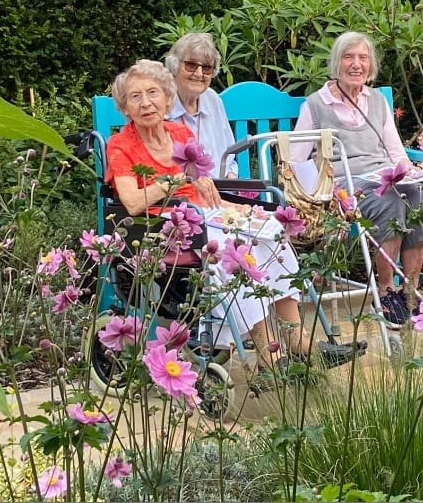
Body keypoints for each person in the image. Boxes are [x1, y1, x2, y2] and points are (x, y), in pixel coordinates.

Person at [105, 59, 345, 373]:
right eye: (135, 97)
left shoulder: (178, 131)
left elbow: (204, 182)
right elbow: (133, 202)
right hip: (165, 225)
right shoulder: (121, 144)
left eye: (153, 93)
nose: (146, 102)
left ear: (167, 99)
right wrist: (173, 183)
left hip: (204, 213)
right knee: (234, 252)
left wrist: (230, 203)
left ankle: (298, 342)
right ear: (125, 107)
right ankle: (268, 353)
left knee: (270, 232)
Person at [289, 31, 423, 327]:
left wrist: (409, 170)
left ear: (371, 65)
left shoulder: (377, 101)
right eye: (348, 57)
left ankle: (410, 290)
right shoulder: (316, 105)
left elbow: (395, 150)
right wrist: (317, 196)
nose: (356, 64)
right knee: (389, 201)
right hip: (346, 184)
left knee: (417, 197)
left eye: (363, 58)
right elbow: (295, 159)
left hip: (384, 175)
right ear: (336, 63)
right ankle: (386, 289)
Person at [165, 33, 237, 179]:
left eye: (206, 68)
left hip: (221, 192)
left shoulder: (212, 99)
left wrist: (232, 177)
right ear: (175, 66)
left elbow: (229, 156)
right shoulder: (161, 104)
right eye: (191, 65)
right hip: (181, 193)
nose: (199, 73)